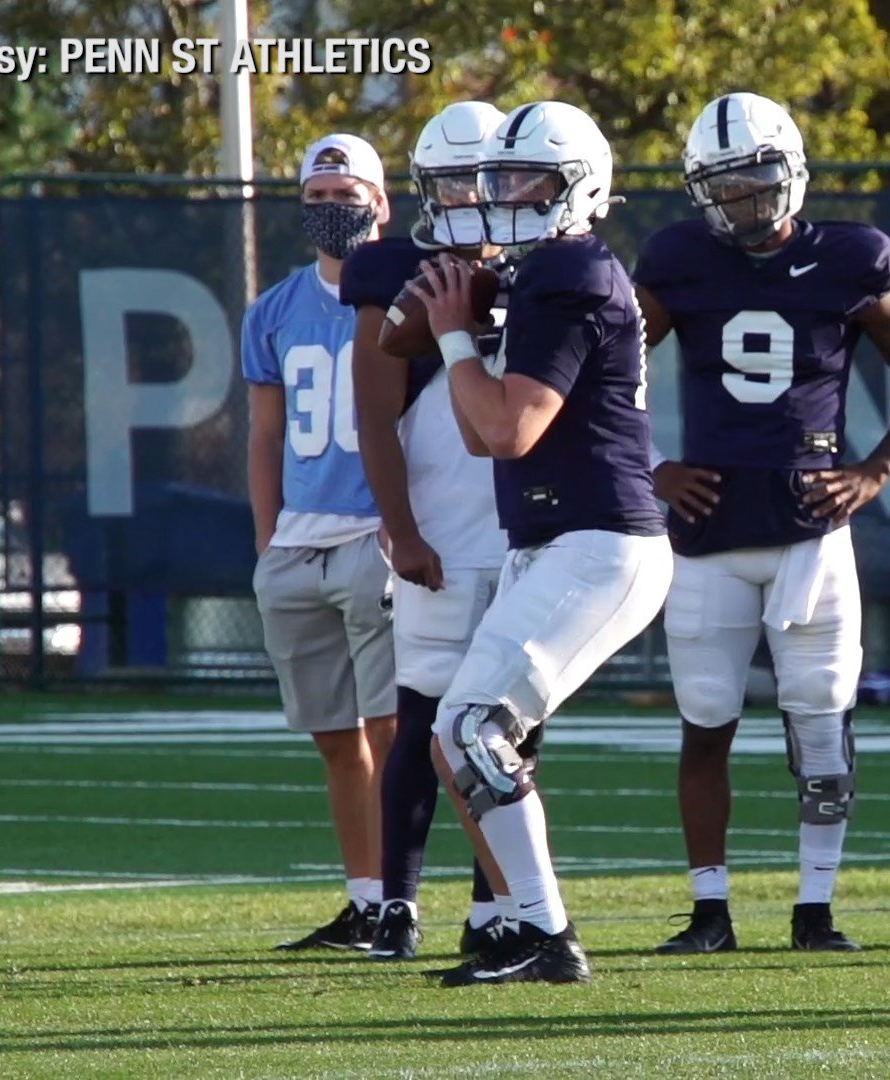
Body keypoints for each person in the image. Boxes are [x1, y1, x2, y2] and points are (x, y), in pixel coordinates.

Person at [633, 92, 890, 954]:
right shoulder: (676, 259)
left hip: (812, 529)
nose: (744, 199)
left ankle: (815, 910)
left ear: (793, 169)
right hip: (707, 533)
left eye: (757, 178)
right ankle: (710, 913)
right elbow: (600, 372)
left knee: (820, 719)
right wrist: (651, 468)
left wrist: (877, 469)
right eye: (725, 185)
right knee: (706, 721)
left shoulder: (850, 257)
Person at [416, 100, 672, 985]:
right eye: (502, 180)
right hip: (561, 535)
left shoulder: (568, 270)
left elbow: (507, 430)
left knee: (471, 727)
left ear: (582, 190)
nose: (513, 197)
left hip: (597, 539)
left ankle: (546, 936)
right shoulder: (549, 273)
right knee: (465, 738)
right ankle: (511, 924)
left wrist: (454, 333)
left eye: (533, 181)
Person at [344, 101, 517, 962]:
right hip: (443, 532)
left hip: (529, 531)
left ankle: (501, 907)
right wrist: (400, 528)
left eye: (482, 180)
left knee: (511, 731)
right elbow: (374, 417)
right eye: (450, 183)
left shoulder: (550, 264)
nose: (468, 200)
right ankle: (398, 904)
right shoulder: (391, 273)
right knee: (420, 719)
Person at [242, 134, 396, 950]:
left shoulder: (404, 294)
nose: (332, 210)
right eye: (318, 198)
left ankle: (398, 903)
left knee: (390, 731)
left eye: (346, 195)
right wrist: (268, 543)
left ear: (381, 202)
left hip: (376, 533)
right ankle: (365, 900)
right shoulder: (273, 309)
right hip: (299, 546)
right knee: (336, 739)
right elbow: (265, 438)